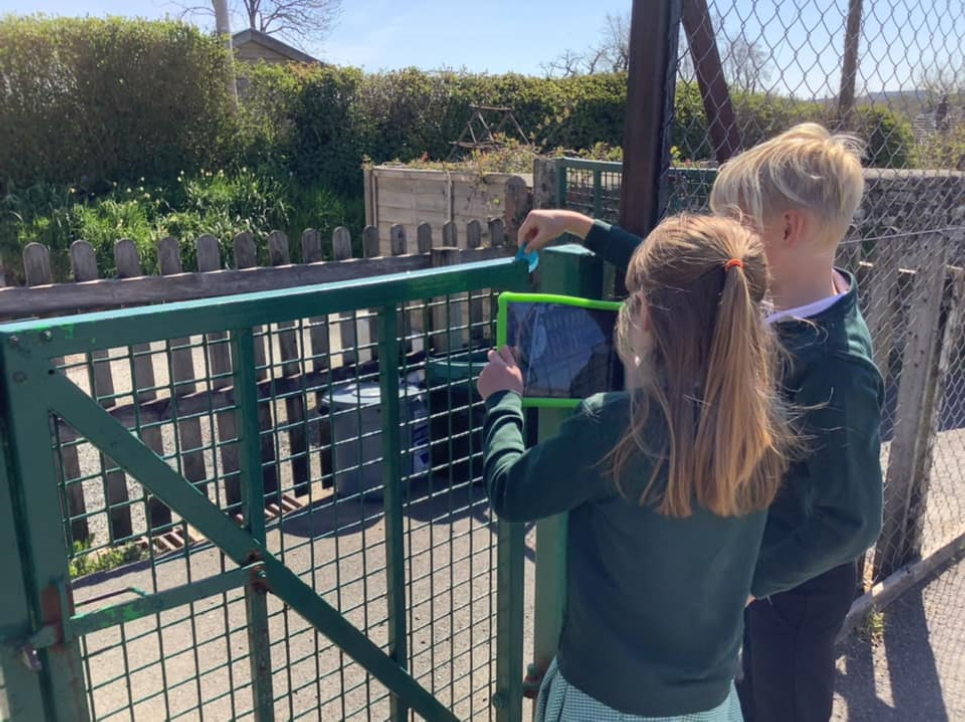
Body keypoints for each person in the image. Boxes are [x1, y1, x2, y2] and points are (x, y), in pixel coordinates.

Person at [517, 122, 885, 722]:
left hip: (790, 590)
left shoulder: (838, 364)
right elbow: (684, 279)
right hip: (740, 563)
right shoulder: (762, 296)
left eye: (735, 224)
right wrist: (581, 227)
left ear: (787, 230)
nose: (723, 246)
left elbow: (853, 522)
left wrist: (747, 578)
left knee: (783, 704)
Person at [479, 213, 800, 721]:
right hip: (712, 705)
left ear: (645, 314)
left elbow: (512, 493)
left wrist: (503, 401)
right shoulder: (763, 428)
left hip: (602, 701)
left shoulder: (612, 425)